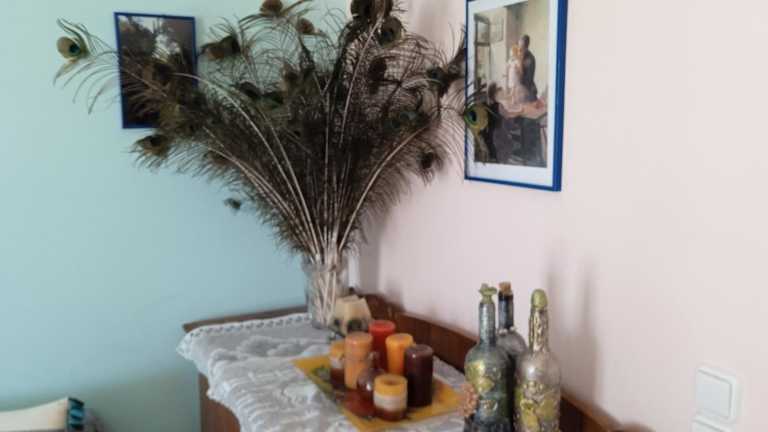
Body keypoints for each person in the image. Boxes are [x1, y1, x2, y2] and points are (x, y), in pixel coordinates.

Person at [518, 34, 538, 102]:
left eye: (521, 47)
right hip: (522, 92)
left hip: (529, 93)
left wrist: (520, 63)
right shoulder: (520, 55)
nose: (519, 48)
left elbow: (528, 79)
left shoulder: (530, 59)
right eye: (519, 45)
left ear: (526, 46)